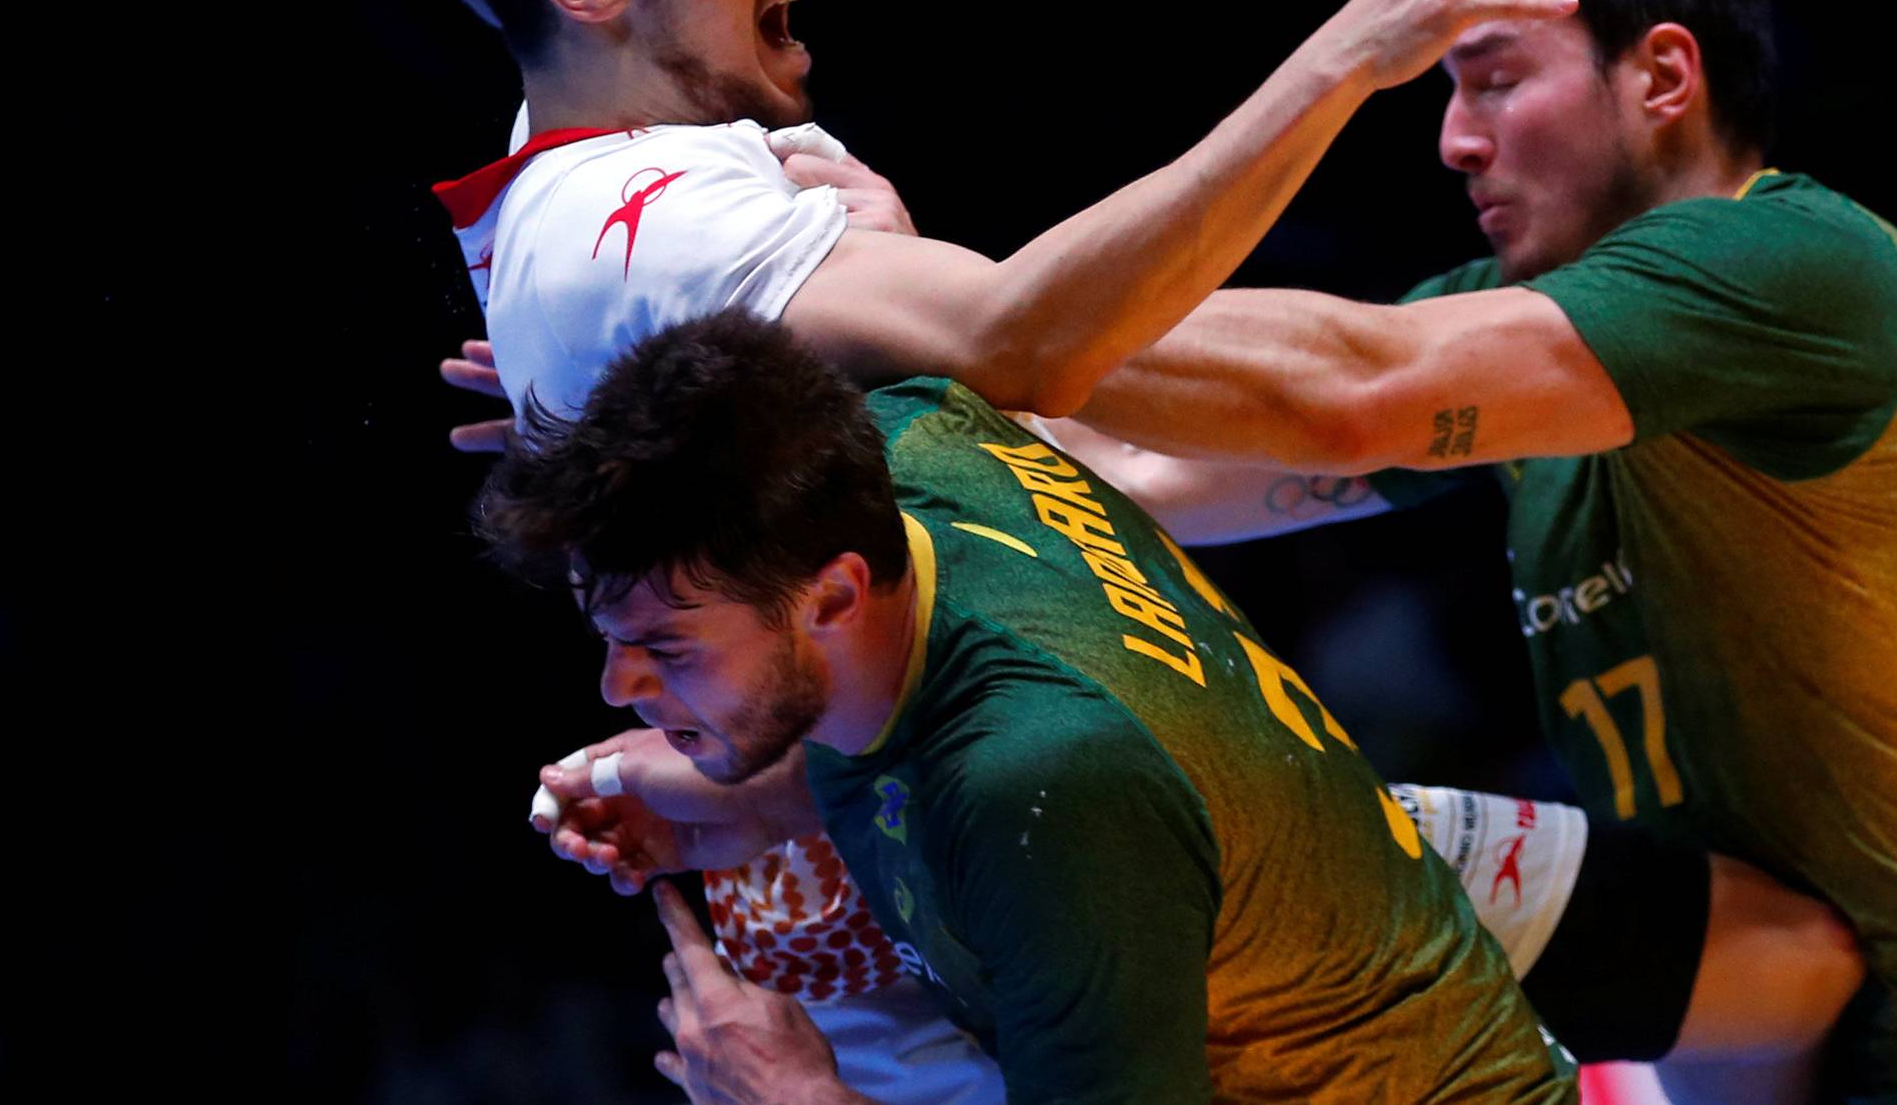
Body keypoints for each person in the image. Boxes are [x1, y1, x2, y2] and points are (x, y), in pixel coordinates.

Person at [39, 0, 1640, 1096]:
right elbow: (1027, 343)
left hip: (1053, 713)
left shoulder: (601, 124)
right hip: (954, 852)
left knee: (1746, 953)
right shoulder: (661, 229)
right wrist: (1350, 55)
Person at [1055, 0, 1896, 1103]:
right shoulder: (1521, 323)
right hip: (1737, 1036)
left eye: (1494, 82)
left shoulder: (1796, 264)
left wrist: (964, 299)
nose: (1454, 141)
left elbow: (1353, 393)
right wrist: (874, 339)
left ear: (1663, 75)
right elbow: (1145, 470)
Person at [476, 306, 1584, 1105]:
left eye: (663, 647)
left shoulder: (1034, 794)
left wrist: (791, 1097)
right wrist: (762, 799)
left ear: (834, 597)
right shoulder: (914, 438)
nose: (618, 687)